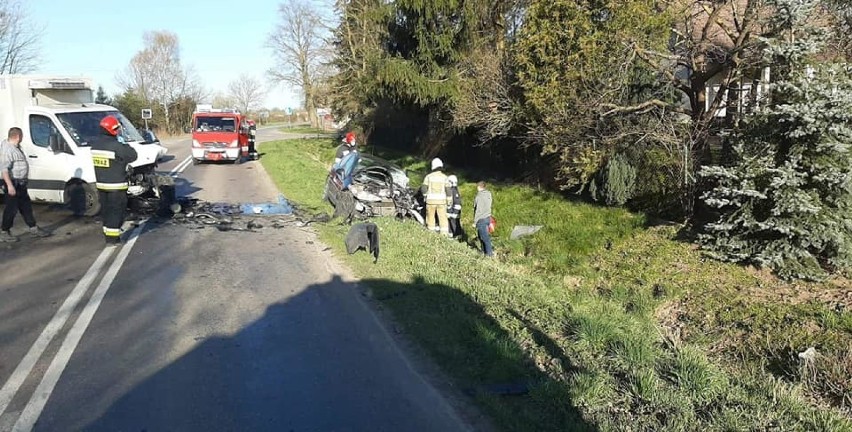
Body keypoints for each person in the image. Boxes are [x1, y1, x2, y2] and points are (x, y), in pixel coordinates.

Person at [90, 116, 137, 245]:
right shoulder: (117, 146)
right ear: (112, 130)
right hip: (116, 185)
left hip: (101, 185)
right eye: (116, 129)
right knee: (116, 211)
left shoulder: (95, 145)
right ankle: (113, 238)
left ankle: (107, 233)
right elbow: (133, 155)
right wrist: (123, 143)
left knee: (106, 210)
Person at [0, 127, 50, 242]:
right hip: (13, 183)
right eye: (21, 136)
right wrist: (9, 185)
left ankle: (33, 228)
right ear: (18, 136)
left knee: (26, 207)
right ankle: (4, 231)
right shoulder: (8, 150)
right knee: (11, 209)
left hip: (20, 183)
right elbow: (4, 170)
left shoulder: (15, 147)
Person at [421, 158, 451, 237]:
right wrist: (449, 201)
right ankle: (444, 234)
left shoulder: (428, 177)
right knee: (443, 218)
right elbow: (448, 190)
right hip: (442, 202)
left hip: (430, 201)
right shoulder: (445, 177)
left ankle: (431, 234)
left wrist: (425, 196)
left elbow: (423, 188)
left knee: (430, 217)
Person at [473, 181, 493, 257]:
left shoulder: (479, 196)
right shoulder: (489, 194)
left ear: (478, 187)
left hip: (481, 219)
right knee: (483, 236)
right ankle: (483, 252)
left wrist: (475, 222)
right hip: (488, 218)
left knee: (484, 238)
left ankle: (489, 254)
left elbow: (478, 210)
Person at [446, 174, 464, 239]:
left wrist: (454, 213)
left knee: (455, 225)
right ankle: (451, 236)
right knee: (450, 225)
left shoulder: (454, 191)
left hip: (454, 213)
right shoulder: (452, 190)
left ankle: (458, 237)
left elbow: (457, 203)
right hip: (451, 212)